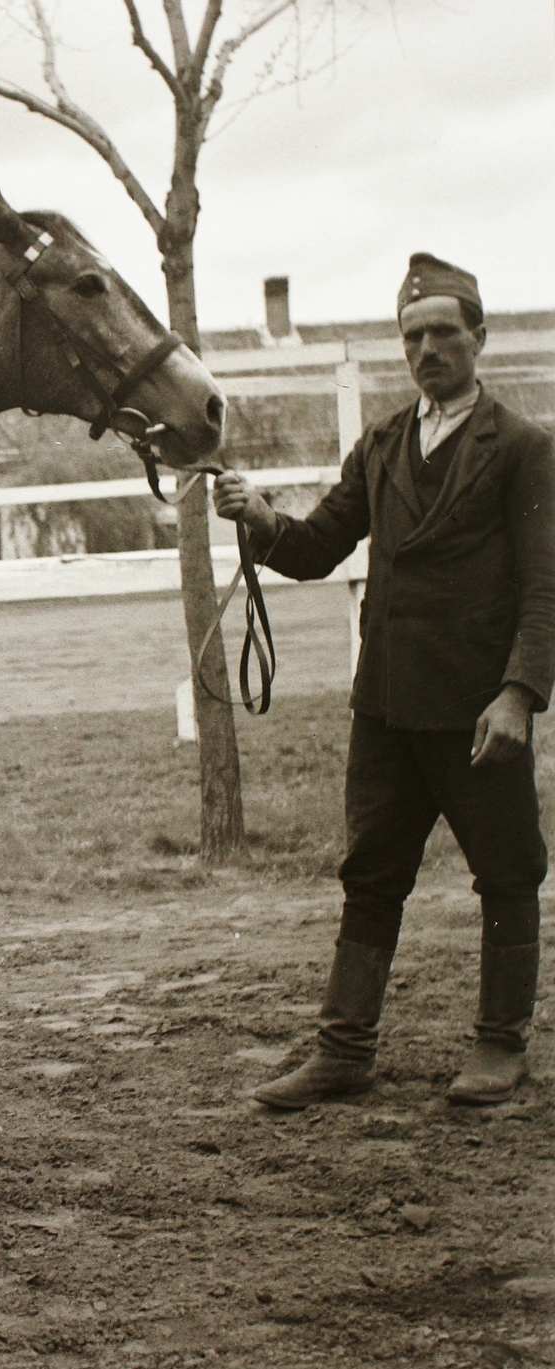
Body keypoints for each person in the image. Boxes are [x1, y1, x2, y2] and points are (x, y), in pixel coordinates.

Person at [214, 253, 555, 1109]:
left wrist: (518, 694)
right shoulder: (382, 443)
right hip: (388, 708)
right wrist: (259, 519)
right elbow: (316, 545)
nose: (427, 349)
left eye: (444, 332)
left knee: (507, 872)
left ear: (479, 338)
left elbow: (547, 586)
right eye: (413, 335)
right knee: (370, 873)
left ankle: (501, 1045)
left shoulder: (521, 448)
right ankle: (343, 1050)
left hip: (479, 711)